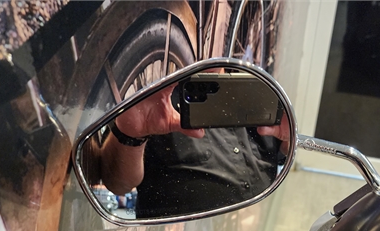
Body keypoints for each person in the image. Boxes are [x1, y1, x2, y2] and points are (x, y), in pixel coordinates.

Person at [85, 81, 291, 218]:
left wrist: (289, 140)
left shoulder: (255, 94)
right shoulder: (156, 99)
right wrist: (132, 133)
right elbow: (117, 184)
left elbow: (284, 154)